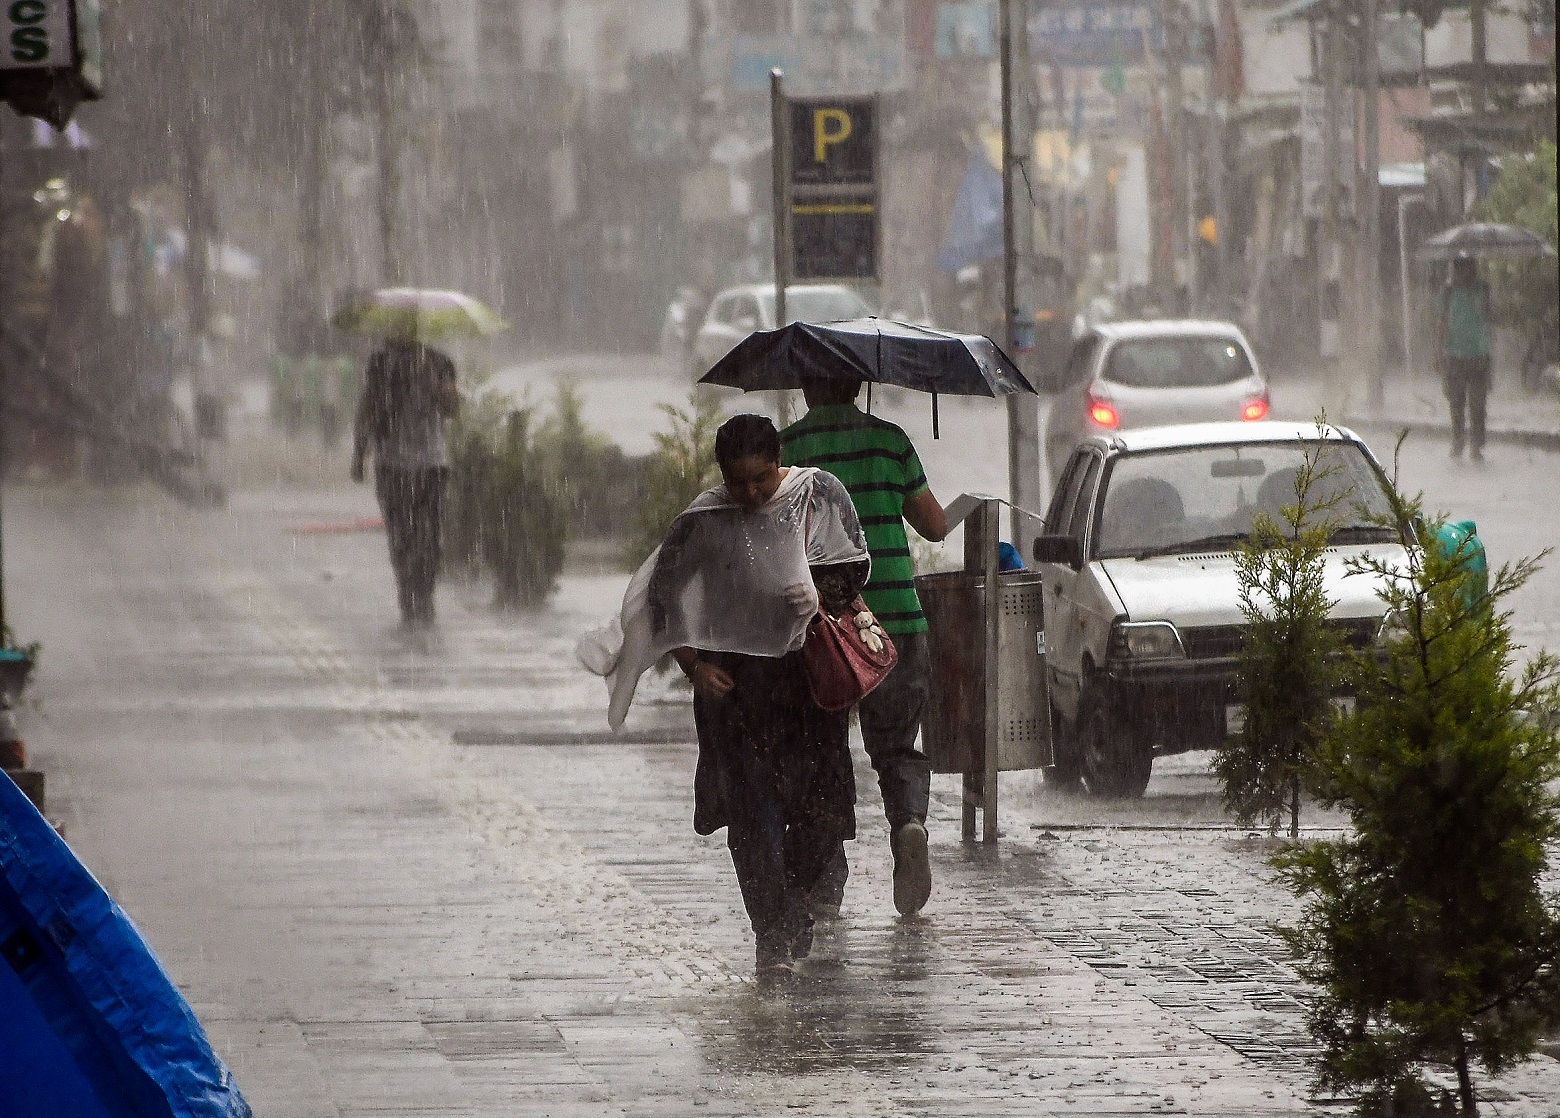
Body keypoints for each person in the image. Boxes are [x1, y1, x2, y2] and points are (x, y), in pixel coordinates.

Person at [584, 414, 872, 975]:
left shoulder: (816, 498)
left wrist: (815, 592)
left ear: (778, 461)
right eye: (737, 481)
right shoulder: (707, 519)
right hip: (735, 689)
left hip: (805, 685)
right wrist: (693, 664)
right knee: (751, 809)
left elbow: (854, 570)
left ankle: (801, 901)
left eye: (761, 479)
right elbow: (662, 593)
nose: (750, 493)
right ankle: (771, 927)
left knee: (815, 808)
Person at [782, 377, 950, 917]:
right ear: (859, 383)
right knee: (897, 744)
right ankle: (909, 825)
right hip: (894, 618)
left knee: (821, 749)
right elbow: (935, 524)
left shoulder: (787, 450)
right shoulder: (890, 440)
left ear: (805, 386)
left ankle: (827, 872)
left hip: (820, 623)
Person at [350, 334, 459, 631]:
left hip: (431, 465)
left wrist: (432, 381)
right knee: (401, 536)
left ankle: (424, 596)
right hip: (392, 465)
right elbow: (368, 407)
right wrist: (359, 454)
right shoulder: (380, 363)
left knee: (430, 536)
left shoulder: (439, 361)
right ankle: (408, 595)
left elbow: (453, 409)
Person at [1435, 256, 1493, 461]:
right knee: (1456, 403)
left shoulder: (1483, 289)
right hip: (1454, 355)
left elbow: (1489, 317)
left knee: (1478, 404)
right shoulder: (1448, 291)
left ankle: (1476, 445)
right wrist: (1438, 354)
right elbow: (1441, 323)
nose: (1464, 273)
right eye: (1459, 269)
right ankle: (1458, 441)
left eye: (1469, 268)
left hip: (1479, 355)